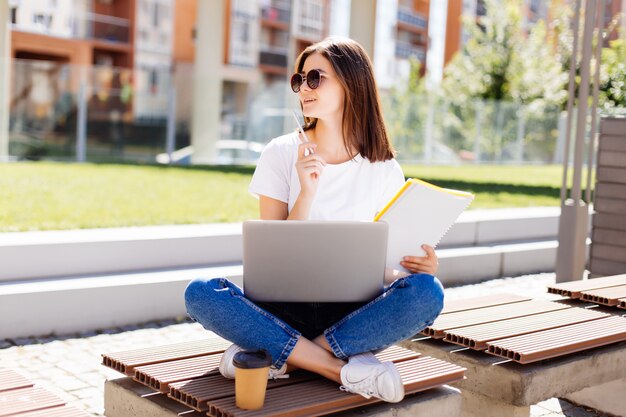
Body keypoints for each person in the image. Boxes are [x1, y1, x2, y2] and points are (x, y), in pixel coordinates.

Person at [185, 37, 444, 404]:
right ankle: (340, 368)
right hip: (283, 308)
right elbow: (271, 259)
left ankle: (276, 356)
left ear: (352, 83)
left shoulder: (384, 168)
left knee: (428, 291)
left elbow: (385, 268)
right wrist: (306, 192)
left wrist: (415, 266)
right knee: (200, 293)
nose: (303, 88)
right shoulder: (280, 153)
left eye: (315, 78)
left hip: (352, 313)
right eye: (300, 80)